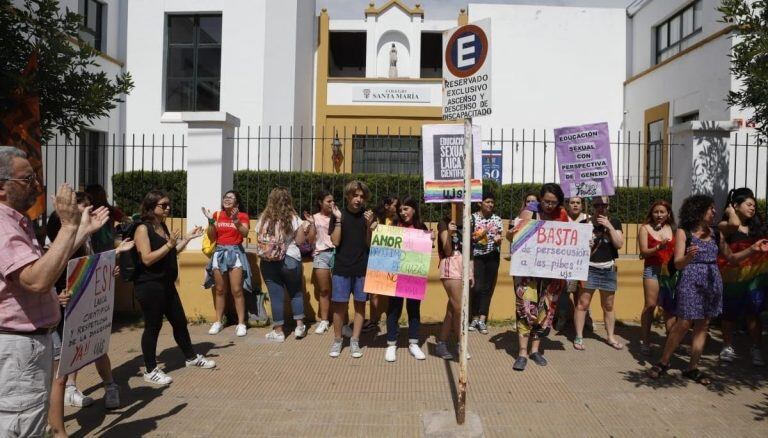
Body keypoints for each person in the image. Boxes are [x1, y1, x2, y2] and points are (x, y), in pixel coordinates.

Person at [0, 147, 108, 437]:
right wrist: (69, 225)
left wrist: (81, 232)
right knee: (20, 426)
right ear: (1, 186)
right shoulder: (2, 224)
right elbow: (37, 281)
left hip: (28, 346)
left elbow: (45, 264)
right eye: (27, 179)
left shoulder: (13, 222)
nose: (36, 185)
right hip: (17, 346)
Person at [649, 195, 767, 385]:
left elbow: (733, 259)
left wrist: (753, 249)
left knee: (703, 325)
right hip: (690, 280)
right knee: (684, 323)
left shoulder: (716, 233)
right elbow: (678, 264)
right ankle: (664, 362)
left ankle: (692, 368)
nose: (714, 212)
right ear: (698, 210)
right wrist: (688, 257)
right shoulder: (684, 232)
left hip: (712, 283)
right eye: (710, 209)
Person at [46, 192, 135, 437]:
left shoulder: (86, 240)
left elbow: (86, 267)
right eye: (84, 211)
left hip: (76, 311)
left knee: (93, 348)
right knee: (58, 375)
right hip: (52, 317)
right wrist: (56, 297)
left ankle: (106, 387)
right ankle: (58, 428)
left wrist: (110, 263)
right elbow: (46, 272)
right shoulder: (55, 244)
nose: (90, 215)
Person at [133, 190, 214, 386]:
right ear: (151, 207)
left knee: (179, 321)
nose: (168, 208)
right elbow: (147, 259)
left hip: (166, 284)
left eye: (169, 204)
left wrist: (186, 239)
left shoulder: (161, 225)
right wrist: (169, 245)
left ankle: (190, 357)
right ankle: (151, 369)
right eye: (164, 205)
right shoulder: (143, 229)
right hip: (149, 285)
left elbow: (171, 251)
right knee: (153, 326)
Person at [507, 183, 569, 370]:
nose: (549, 205)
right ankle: (522, 353)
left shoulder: (562, 215)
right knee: (525, 308)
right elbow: (514, 238)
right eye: (546, 201)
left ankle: (535, 350)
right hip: (528, 273)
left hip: (551, 272)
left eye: (553, 202)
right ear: (540, 199)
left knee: (545, 310)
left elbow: (569, 239)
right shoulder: (529, 212)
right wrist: (511, 235)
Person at [717, 187, 768, 366]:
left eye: (754, 205)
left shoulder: (758, 227)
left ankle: (756, 348)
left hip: (755, 278)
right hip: (732, 278)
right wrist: (730, 212)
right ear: (735, 205)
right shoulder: (727, 227)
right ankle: (727, 346)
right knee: (729, 314)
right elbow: (727, 255)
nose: (752, 208)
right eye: (748, 204)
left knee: (754, 314)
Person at [329, 181, 376, 358]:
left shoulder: (368, 216)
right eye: (355, 195)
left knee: (360, 306)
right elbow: (335, 242)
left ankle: (355, 341)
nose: (358, 199)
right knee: (339, 307)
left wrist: (370, 226)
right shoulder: (338, 214)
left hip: (362, 268)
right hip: (341, 268)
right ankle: (337, 340)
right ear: (348, 196)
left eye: (362, 196)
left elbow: (369, 244)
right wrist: (339, 219)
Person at [256, 187, 308, 342]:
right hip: (290, 258)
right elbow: (299, 241)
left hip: (268, 261)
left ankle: (278, 332)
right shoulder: (293, 218)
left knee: (276, 296)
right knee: (296, 292)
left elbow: (258, 236)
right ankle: (299, 327)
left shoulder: (264, 218)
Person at [383, 196, 431, 362]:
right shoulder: (394, 226)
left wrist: (429, 240)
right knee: (394, 309)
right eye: (400, 209)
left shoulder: (421, 227)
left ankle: (413, 342)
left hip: (413, 275)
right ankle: (391, 344)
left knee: (414, 309)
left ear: (414, 210)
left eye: (406, 209)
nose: (403, 213)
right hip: (395, 274)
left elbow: (427, 249)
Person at [573, 196, 624, 351]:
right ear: (592, 206)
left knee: (608, 305)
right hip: (589, 268)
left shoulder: (614, 222)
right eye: (597, 205)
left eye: (604, 205)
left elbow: (619, 244)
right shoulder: (584, 224)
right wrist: (585, 244)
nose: (601, 208)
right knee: (583, 304)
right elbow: (576, 250)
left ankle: (610, 336)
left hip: (608, 268)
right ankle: (579, 336)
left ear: (608, 206)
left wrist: (608, 226)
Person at [202, 190, 253, 337]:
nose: (227, 199)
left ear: (237, 202)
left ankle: (241, 323)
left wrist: (236, 219)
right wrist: (210, 221)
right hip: (219, 252)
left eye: (231, 197)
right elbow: (212, 236)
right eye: (226, 197)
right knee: (219, 289)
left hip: (235, 253)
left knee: (237, 290)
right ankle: (218, 321)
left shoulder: (243, 215)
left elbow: (244, 233)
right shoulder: (217, 215)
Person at [637, 200, 677, 355]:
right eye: (656, 212)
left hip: (670, 272)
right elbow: (644, 252)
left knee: (669, 307)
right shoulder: (645, 229)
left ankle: (671, 342)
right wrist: (658, 248)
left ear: (668, 214)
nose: (659, 215)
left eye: (662, 212)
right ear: (651, 214)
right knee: (650, 306)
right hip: (652, 270)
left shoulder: (673, 228)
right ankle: (645, 342)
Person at [436, 202, 473, 360]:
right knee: (460, 308)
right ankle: (461, 343)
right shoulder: (444, 223)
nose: (460, 206)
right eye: (457, 204)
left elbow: (470, 249)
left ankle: (442, 343)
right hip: (451, 265)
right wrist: (450, 234)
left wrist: (472, 272)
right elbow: (447, 250)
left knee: (452, 309)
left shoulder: (468, 221)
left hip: (465, 266)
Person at [469, 191, 503, 334]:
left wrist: (498, 239)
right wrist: (478, 236)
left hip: (492, 256)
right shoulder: (473, 218)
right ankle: (474, 316)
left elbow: (500, 235)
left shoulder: (497, 219)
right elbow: (469, 238)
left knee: (487, 288)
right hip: (477, 256)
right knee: (476, 287)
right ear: (479, 203)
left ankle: (482, 319)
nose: (490, 204)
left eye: (492, 202)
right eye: (487, 201)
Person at [365, 195, 400, 332]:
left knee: (393, 293)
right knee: (374, 292)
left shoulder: (398, 220)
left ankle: (393, 321)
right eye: (394, 205)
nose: (397, 208)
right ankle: (373, 320)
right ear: (386, 206)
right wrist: (370, 229)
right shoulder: (375, 219)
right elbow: (368, 242)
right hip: (376, 259)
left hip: (393, 260)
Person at [304, 189, 336, 335]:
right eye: (328, 201)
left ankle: (340, 320)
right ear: (320, 203)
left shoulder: (338, 216)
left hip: (337, 255)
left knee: (340, 290)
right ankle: (324, 320)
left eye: (333, 201)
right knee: (324, 290)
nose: (332, 203)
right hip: (321, 254)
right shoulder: (314, 218)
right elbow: (310, 240)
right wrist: (311, 224)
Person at [84, 184, 124, 253]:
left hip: (96, 244)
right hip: (108, 244)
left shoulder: (88, 211)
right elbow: (124, 219)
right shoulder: (110, 209)